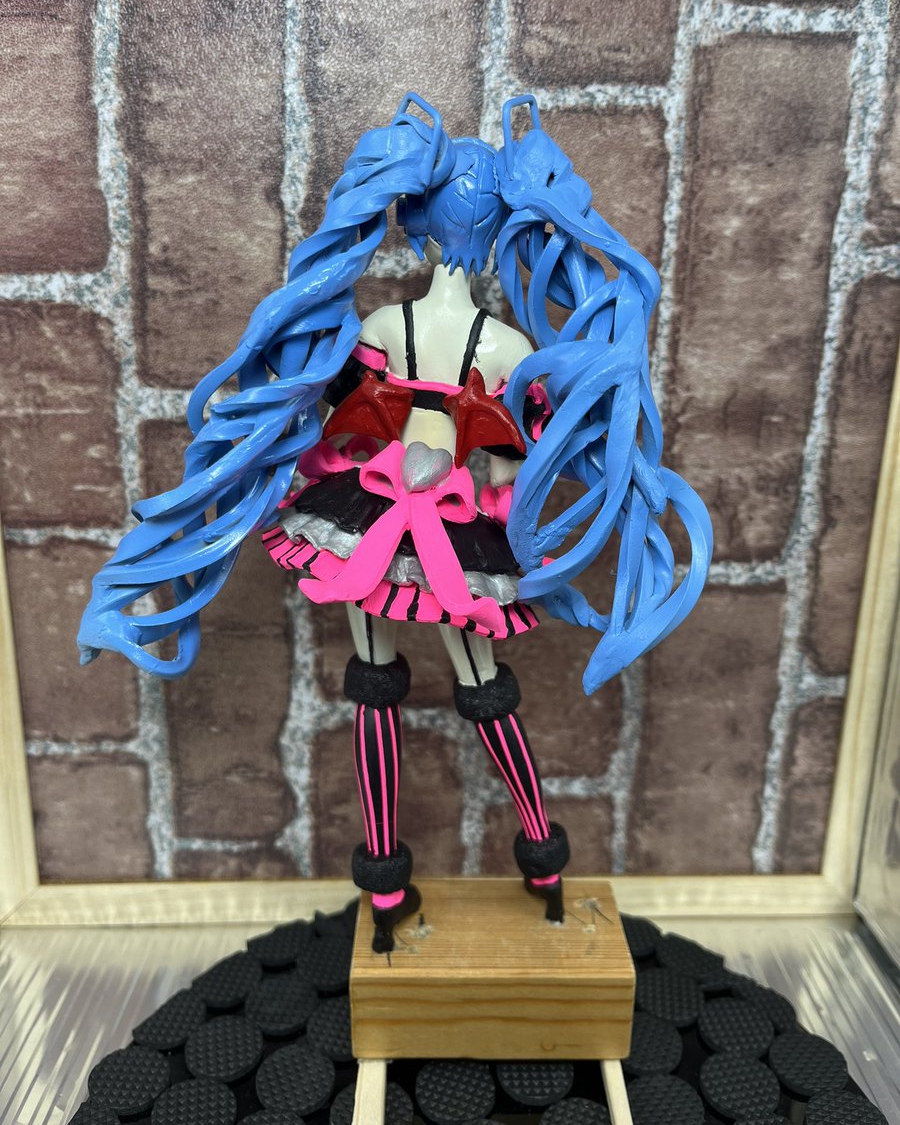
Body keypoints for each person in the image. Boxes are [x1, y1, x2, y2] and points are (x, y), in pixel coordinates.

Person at [78, 93, 712, 952]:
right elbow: (516, 461)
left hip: (365, 513)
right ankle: (543, 863)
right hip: (444, 522)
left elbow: (338, 419)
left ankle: (386, 882)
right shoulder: (509, 349)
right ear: (496, 237)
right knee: (483, 686)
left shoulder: (384, 324)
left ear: (422, 230)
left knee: (376, 679)